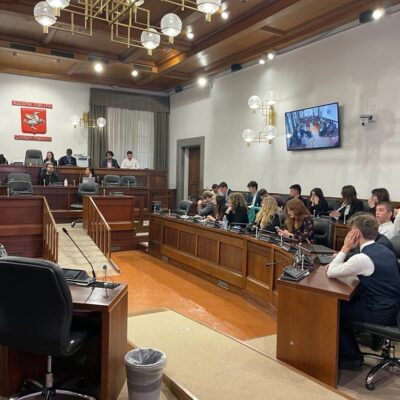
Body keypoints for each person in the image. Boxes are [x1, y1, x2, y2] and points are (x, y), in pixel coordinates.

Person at [327, 213, 400, 370]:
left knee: (333, 309)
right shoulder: (384, 249)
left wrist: (345, 247)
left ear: (356, 234)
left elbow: (331, 272)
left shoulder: (362, 258)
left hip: (381, 311)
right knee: (346, 302)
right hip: (394, 308)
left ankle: (351, 357)